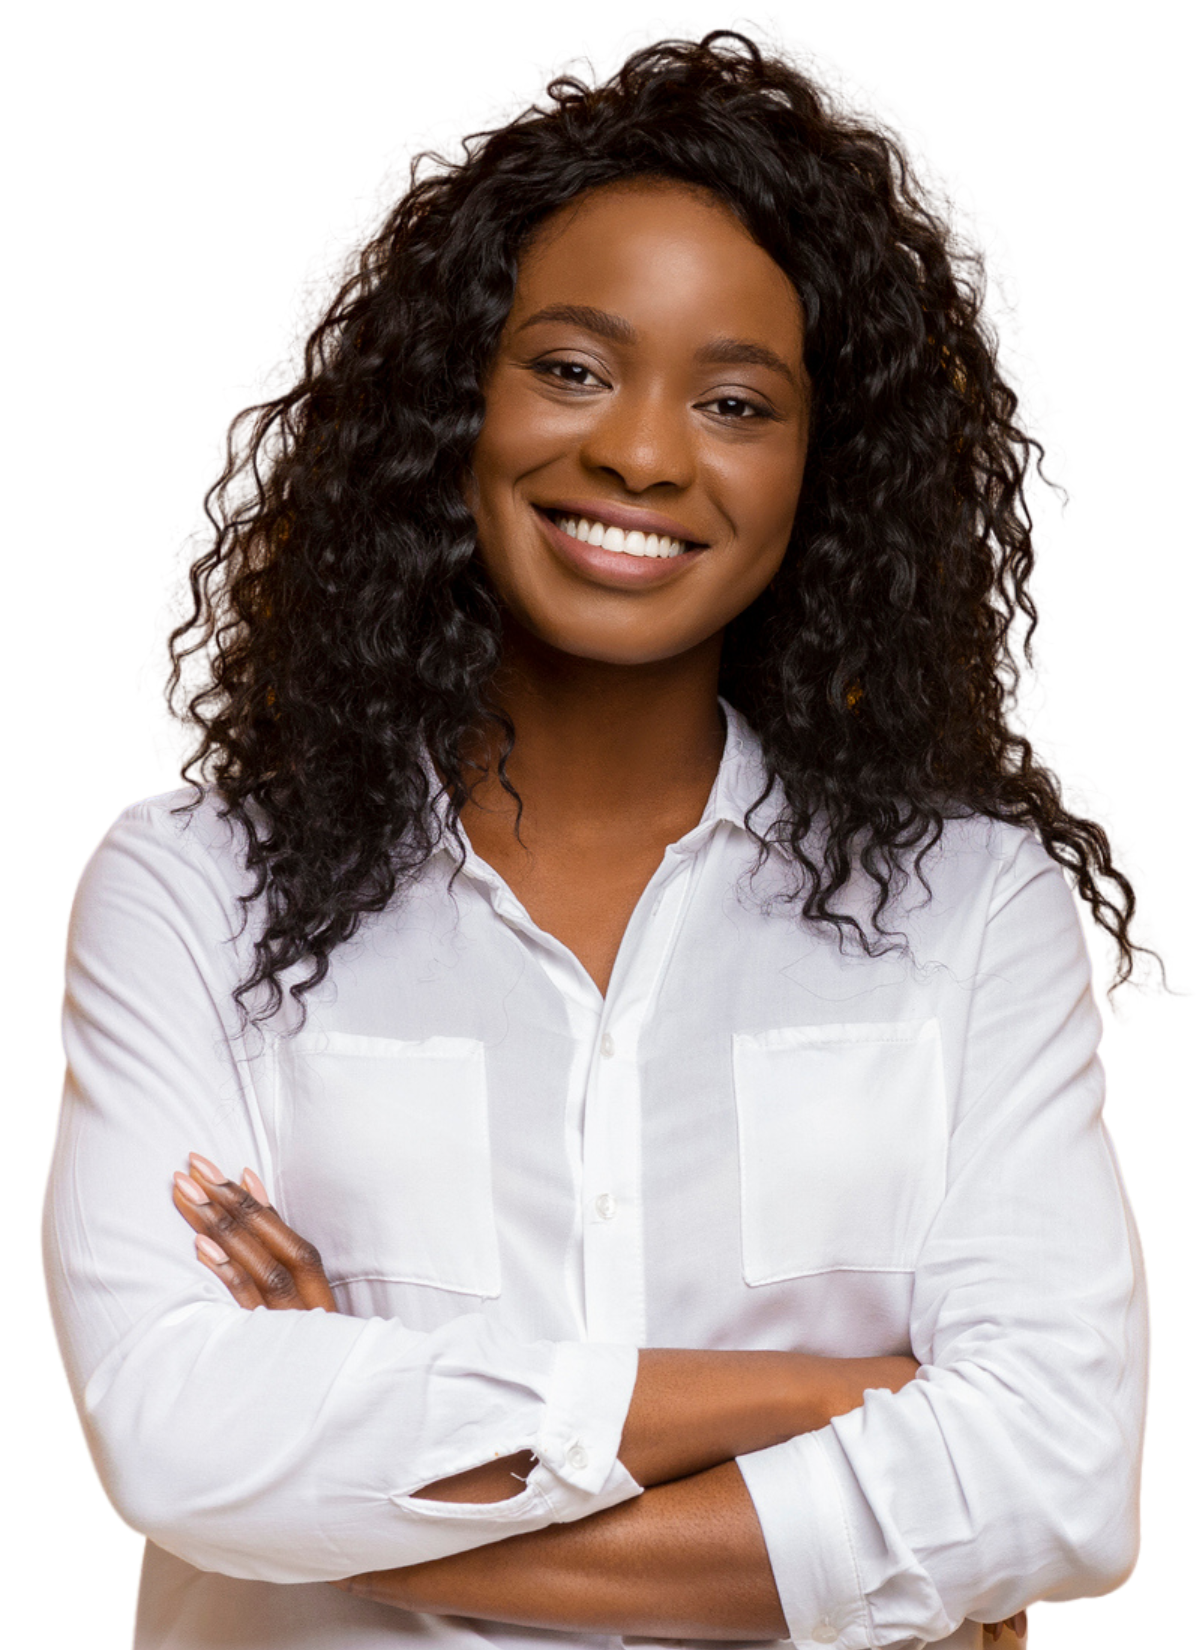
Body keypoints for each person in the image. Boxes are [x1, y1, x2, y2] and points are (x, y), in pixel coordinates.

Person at [40, 20, 1175, 1648]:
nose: (640, 452)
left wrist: (363, 1482)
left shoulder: (972, 913)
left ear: (819, 471)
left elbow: (1058, 1474)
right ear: (454, 404)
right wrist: (852, 1402)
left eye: (734, 399)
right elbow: (174, 1431)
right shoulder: (193, 884)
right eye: (571, 366)